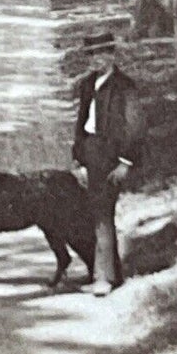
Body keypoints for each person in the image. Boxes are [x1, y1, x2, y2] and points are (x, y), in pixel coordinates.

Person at [72, 32, 145, 295]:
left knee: (103, 214)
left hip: (111, 156)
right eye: (91, 55)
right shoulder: (87, 84)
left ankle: (105, 277)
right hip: (90, 153)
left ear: (112, 55)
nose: (95, 60)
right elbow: (80, 126)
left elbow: (135, 128)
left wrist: (126, 162)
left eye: (101, 54)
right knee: (93, 213)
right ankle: (104, 272)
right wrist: (78, 159)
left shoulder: (124, 87)